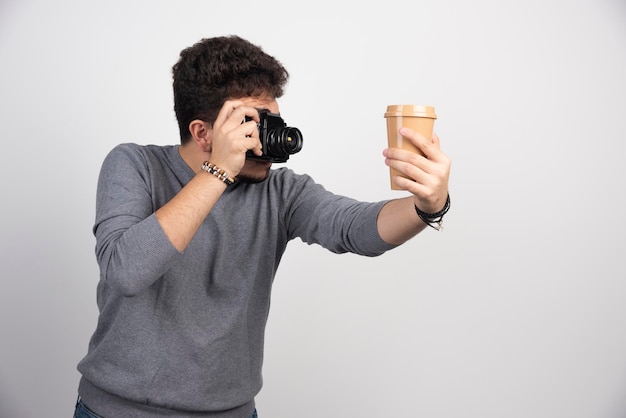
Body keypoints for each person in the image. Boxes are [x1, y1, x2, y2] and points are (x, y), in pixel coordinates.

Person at [74, 35, 451, 418]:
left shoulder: (280, 191)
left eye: (273, 122)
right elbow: (125, 271)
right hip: (115, 411)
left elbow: (355, 228)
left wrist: (428, 205)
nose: (268, 139)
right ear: (204, 133)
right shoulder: (134, 165)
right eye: (250, 125)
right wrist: (218, 171)